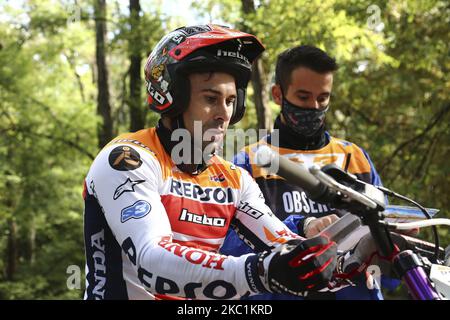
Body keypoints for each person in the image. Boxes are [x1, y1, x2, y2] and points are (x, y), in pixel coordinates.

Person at [82, 25, 338, 300]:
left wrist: (360, 255)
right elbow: (152, 261)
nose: (224, 114)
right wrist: (260, 271)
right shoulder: (128, 159)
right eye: (210, 99)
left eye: (230, 101)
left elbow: (289, 248)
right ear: (173, 99)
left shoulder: (234, 179)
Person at [220, 45, 387, 299]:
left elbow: (384, 238)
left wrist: (394, 239)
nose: (314, 107)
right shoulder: (250, 161)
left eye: (323, 98)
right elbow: (228, 249)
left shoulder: (355, 158)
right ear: (278, 94)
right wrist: (301, 228)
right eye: (303, 97)